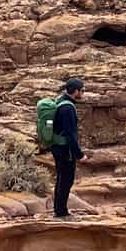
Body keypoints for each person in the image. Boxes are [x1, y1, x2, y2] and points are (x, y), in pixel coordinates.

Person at [49, 78, 84, 219]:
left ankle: (59, 209)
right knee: (66, 179)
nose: (83, 94)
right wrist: (79, 155)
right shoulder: (68, 108)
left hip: (57, 146)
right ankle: (61, 212)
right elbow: (70, 134)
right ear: (75, 91)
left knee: (61, 178)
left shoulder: (60, 101)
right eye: (82, 91)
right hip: (65, 149)